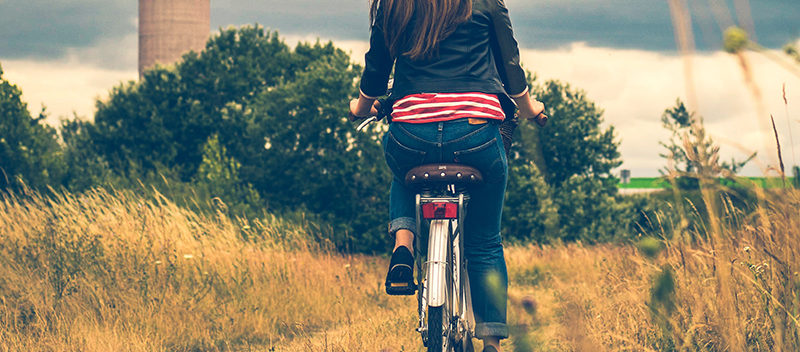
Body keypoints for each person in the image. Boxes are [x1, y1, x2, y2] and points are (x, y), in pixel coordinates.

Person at [349, 0, 545, 350]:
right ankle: (492, 344)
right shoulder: (486, 3)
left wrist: (359, 107)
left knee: (401, 169)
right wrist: (531, 108)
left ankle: (404, 246)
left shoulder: (394, 5)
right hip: (475, 136)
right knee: (484, 241)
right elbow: (510, 68)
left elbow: (376, 69)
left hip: (411, 135)